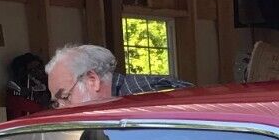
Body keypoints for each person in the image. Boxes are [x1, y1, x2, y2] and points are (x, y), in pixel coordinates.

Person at [45, 43, 189, 107]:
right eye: (56, 104)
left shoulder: (147, 97)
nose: (62, 109)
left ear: (92, 80)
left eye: (66, 98)